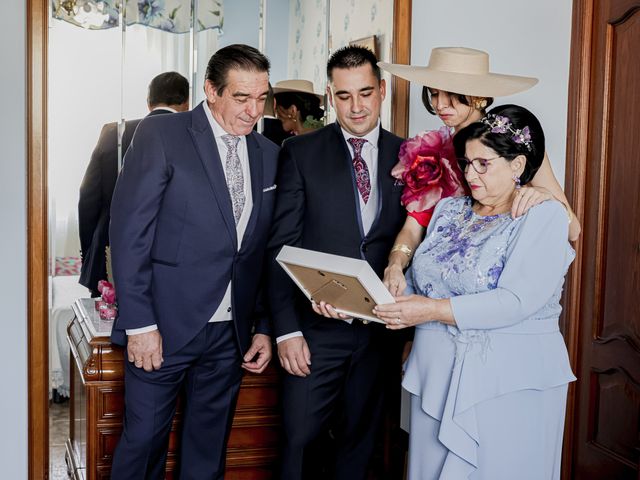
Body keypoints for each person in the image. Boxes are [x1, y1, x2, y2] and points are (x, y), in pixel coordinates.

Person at [373, 105, 576, 479]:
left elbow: (517, 301)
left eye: (483, 164)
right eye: (466, 163)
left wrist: (430, 310)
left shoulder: (543, 217)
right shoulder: (449, 210)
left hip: (507, 380)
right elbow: (427, 280)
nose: (470, 174)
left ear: (517, 165)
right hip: (436, 374)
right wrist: (386, 294)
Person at [108, 44, 278, 479]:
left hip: (230, 334)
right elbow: (130, 237)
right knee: (143, 442)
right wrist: (140, 325)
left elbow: (257, 251)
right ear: (210, 90)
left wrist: (261, 324)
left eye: (261, 98)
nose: (252, 110)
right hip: (162, 327)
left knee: (208, 451)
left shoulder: (268, 153)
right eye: (241, 98)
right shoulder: (162, 136)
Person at [266, 45, 406, 480]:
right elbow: (280, 247)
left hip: (380, 336)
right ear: (329, 95)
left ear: (382, 91)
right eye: (344, 96)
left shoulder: (411, 156)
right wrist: (286, 330)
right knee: (298, 444)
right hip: (315, 333)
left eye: (365, 93)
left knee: (360, 449)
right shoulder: (300, 152)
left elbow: (419, 241)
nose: (357, 106)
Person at [378, 47, 581, 297]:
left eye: (451, 94)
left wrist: (545, 196)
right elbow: (413, 226)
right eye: (434, 94)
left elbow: (573, 230)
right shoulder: (431, 151)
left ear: (478, 96)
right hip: (437, 283)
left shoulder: (512, 141)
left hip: (499, 287)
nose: (440, 104)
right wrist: (396, 264)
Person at [78, 71, 190, 296]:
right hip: (177, 263)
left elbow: (87, 198)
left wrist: (92, 251)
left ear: (149, 103)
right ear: (187, 103)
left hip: (111, 252)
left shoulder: (114, 133)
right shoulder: (192, 137)